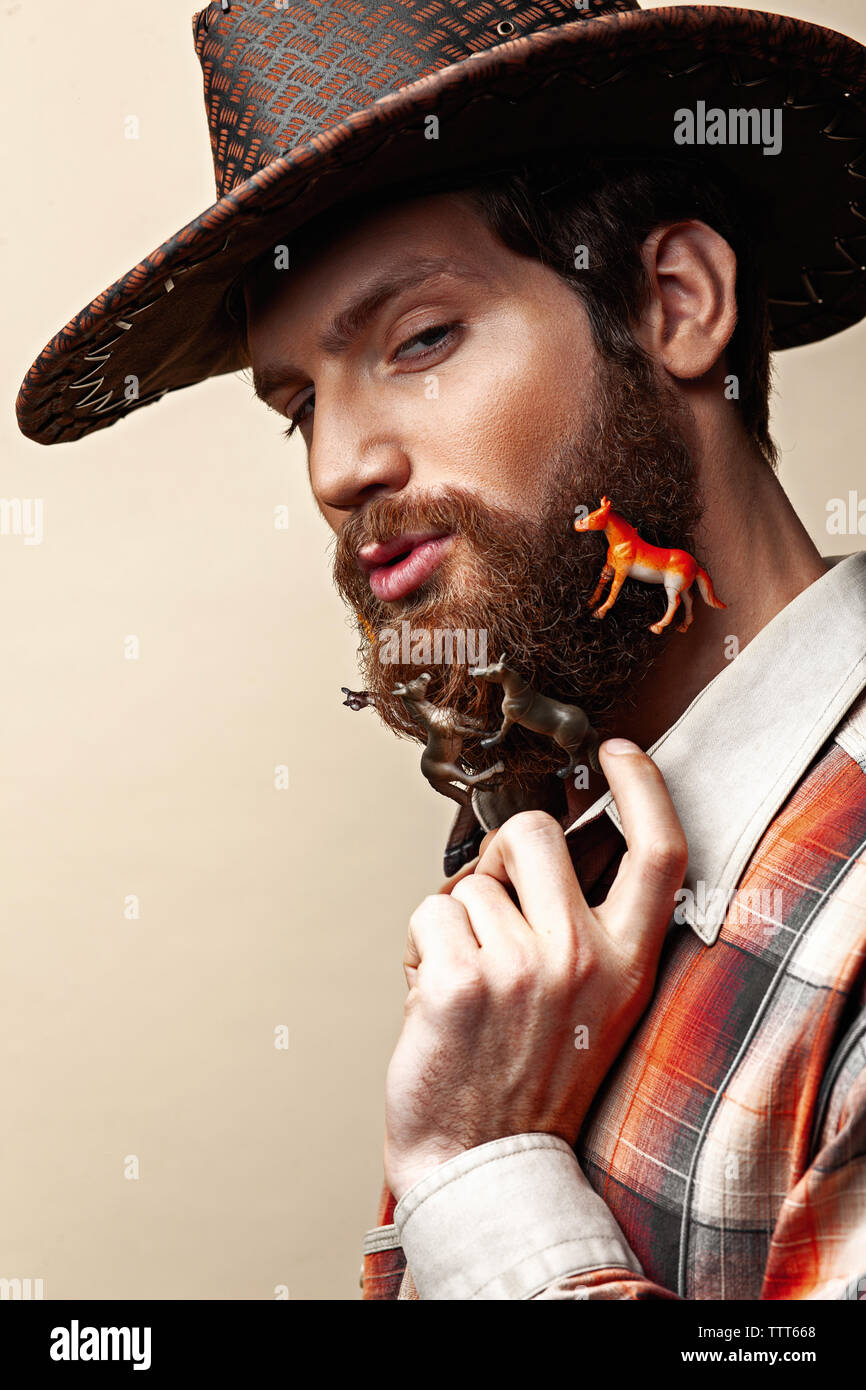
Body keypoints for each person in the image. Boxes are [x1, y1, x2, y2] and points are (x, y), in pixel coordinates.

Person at [16, 0, 866, 1300]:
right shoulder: (530, 862)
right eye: (298, 402)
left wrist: (484, 1171)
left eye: (418, 339)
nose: (338, 466)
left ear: (675, 301)